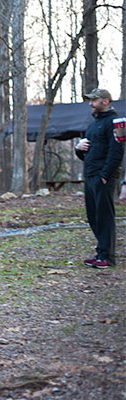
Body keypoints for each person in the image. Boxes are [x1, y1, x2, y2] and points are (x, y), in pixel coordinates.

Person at [77, 89, 124, 268]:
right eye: (90, 100)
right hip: (90, 176)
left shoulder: (115, 123)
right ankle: (100, 253)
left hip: (102, 177)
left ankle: (106, 257)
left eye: (94, 100)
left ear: (105, 101)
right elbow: (87, 154)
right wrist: (78, 148)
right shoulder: (92, 125)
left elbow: (116, 151)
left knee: (104, 216)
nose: (90, 103)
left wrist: (105, 175)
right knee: (93, 216)